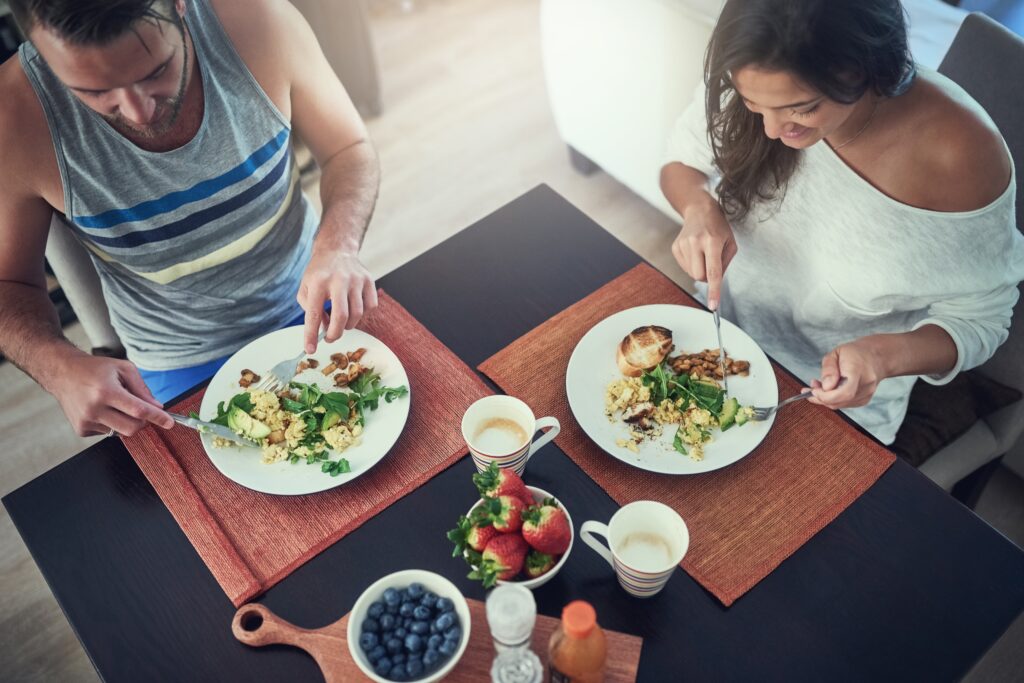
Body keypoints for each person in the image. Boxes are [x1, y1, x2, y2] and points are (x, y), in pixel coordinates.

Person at [0, 0, 380, 437]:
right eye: (95, 91)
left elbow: (347, 149)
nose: (139, 112)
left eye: (155, 71)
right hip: (175, 361)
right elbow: (8, 284)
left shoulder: (260, 21)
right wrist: (59, 368)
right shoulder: (12, 117)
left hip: (314, 301)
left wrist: (338, 245)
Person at [661, 0, 1024, 445]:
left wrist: (880, 357)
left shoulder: (959, 156)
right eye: (754, 106)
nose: (772, 131)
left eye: (802, 108)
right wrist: (699, 208)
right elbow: (683, 161)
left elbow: (984, 317)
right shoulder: (756, 61)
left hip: (832, 406)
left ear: (863, 67)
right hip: (719, 341)